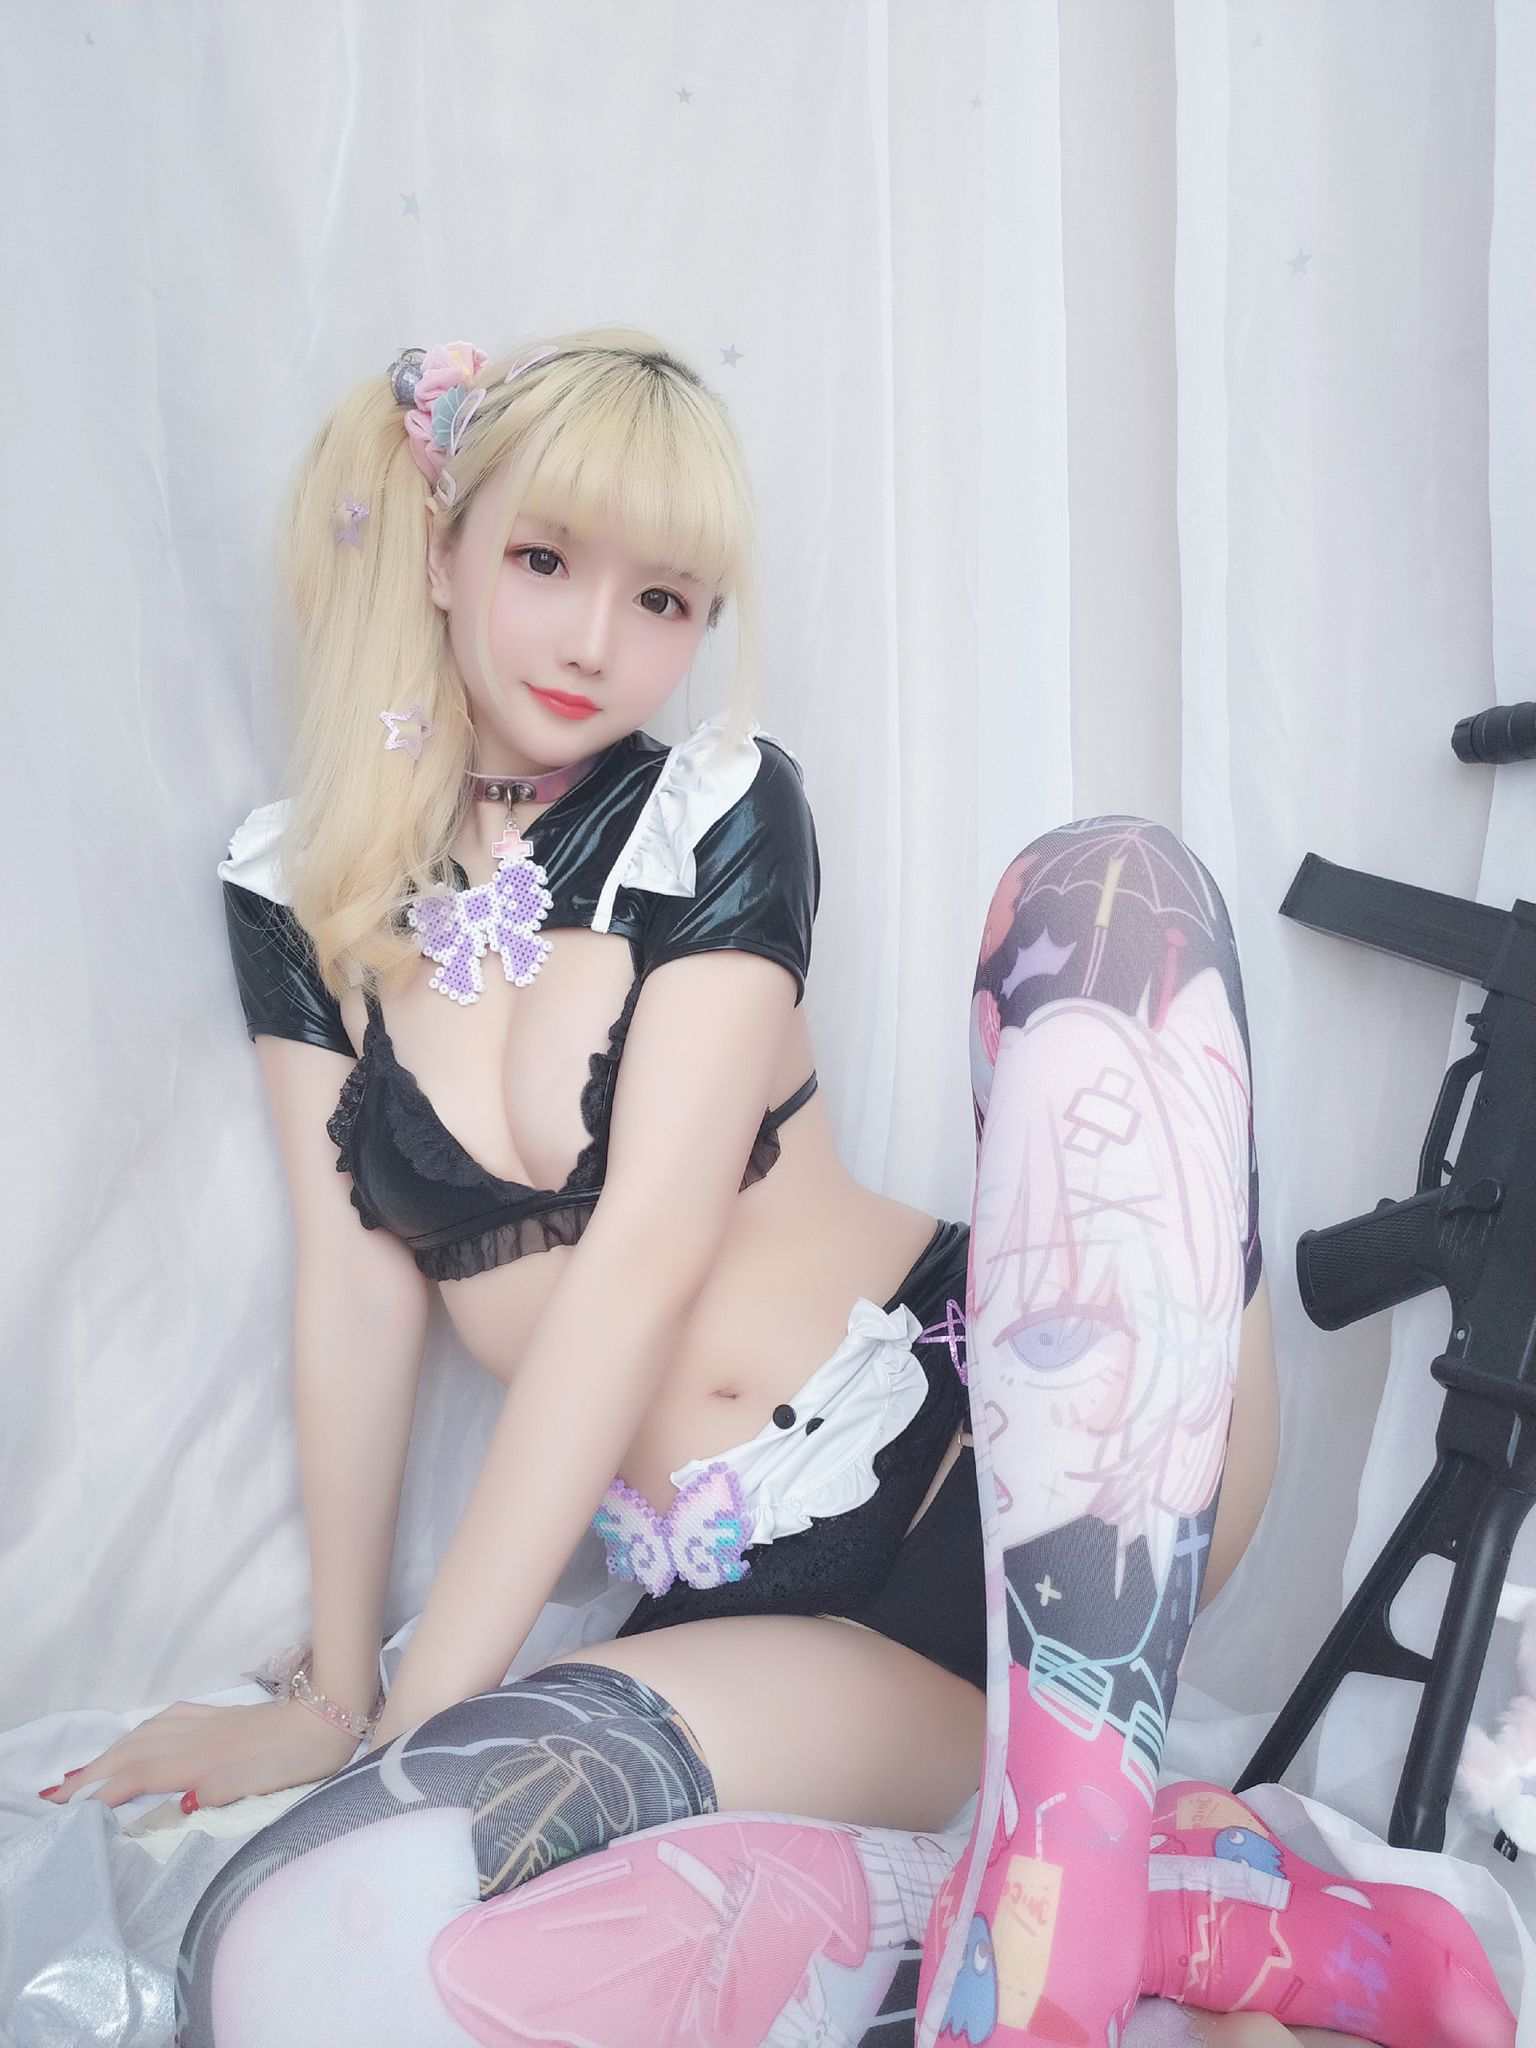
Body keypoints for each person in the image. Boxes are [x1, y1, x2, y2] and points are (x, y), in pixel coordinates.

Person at [43, 329, 1516, 2047]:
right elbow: (354, 1289)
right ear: (439, 550)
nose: (599, 641)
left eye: (665, 598)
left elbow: (644, 1259)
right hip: (774, 1616)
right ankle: (1165, 1902)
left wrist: (426, 1694)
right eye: (545, 562)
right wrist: (341, 1697)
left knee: (1110, 884)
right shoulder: (302, 893)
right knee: (308, 1927)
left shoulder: (716, 808)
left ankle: (1056, 1897)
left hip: (1044, 1455)